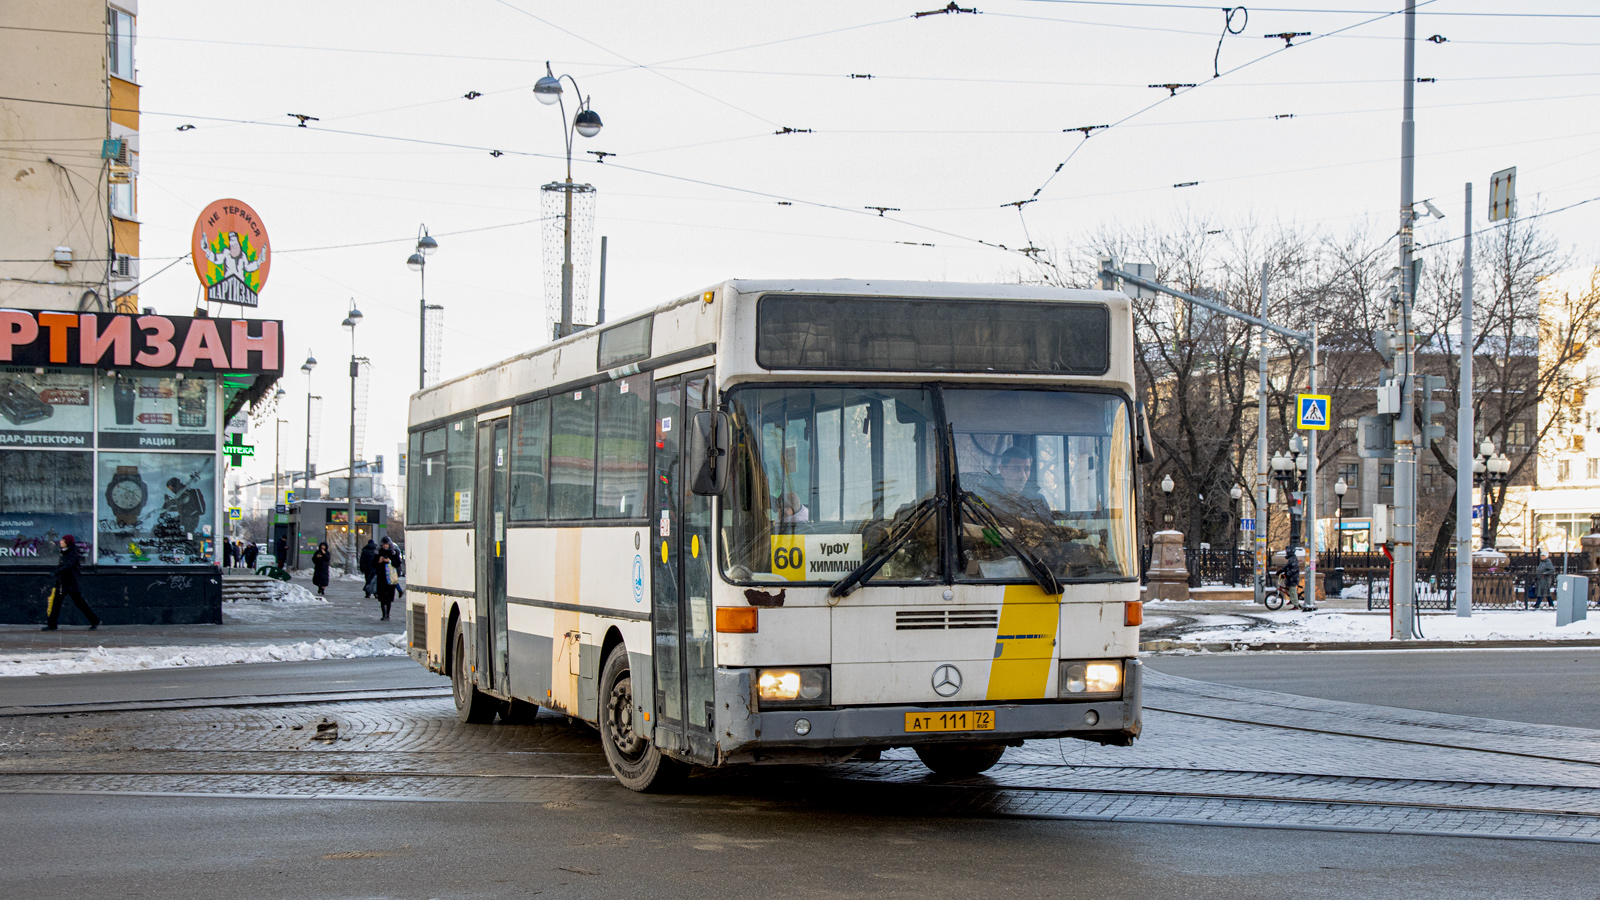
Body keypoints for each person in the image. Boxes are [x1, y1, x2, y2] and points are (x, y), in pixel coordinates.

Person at [44, 535, 99, 631]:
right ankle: (52, 624)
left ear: (67, 542)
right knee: (56, 603)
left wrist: (55, 573)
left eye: (63, 540)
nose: (60, 542)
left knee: (79, 603)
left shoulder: (73, 553)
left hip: (71, 583)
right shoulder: (64, 553)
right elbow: (62, 565)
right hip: (63, 582)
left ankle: (94, 620)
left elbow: (68, 566)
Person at [374, 536, 404, 621]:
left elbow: (398, 563)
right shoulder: (378, 552)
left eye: (386, 544)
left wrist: (389, 561)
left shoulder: (394, 552)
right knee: (382, 597)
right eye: (384, 544)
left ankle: (388, 613)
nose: (385, 546)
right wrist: (378, 561)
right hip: (381, 577)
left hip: (391, 577)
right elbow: (374, 564)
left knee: (389, 598)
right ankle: (384, 614)